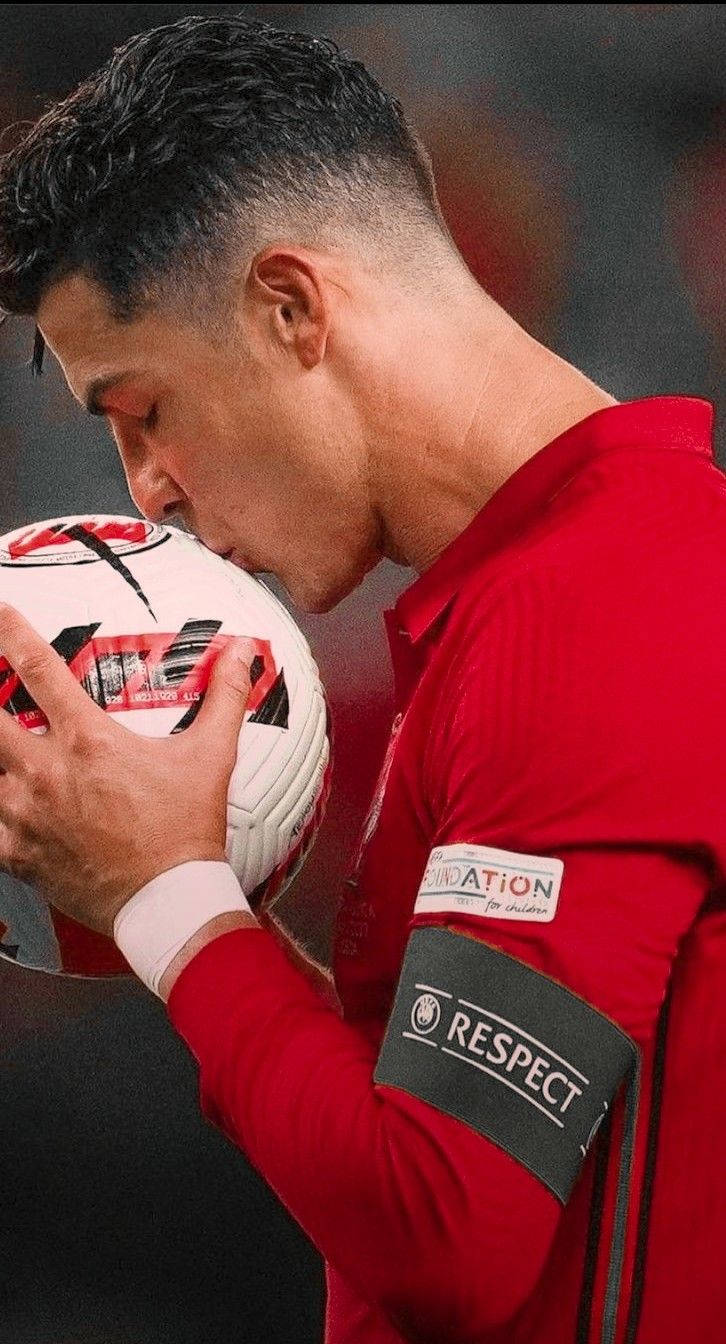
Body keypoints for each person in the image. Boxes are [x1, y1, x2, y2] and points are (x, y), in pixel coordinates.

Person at [0, 15, 723, 1344]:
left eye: (142, 410)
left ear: (290, 305)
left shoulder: (604, 612)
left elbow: (445, 1228)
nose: (149, 493)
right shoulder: (542, 597)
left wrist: (167, 903)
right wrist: (170, 879)